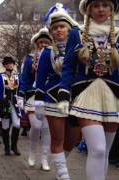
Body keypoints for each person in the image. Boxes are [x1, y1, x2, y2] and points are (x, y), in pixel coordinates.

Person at [57, 0, 119, 179]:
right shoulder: (77, 34)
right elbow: (68, 66)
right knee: (98, 149)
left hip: (113, 96)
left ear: (112, 9)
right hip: (86, 94)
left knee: (105, 151)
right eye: (96, 5)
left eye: (105, 5)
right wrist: (63, 93)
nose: (101, 9)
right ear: (88, 9)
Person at [35, 4, 79, 179]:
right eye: (55, 28)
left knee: (74, 139)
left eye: (62, 27)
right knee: (58, 139)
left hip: (75, 97)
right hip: (53, 98)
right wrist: (38, 100)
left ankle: (61, 164)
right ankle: (62, 174)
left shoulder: (78, 47)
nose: (58, 30)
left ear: (69, 28)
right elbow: (40, 77)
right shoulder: (46, 52)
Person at [18, 27, 52, 170]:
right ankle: (32, 153)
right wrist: (20, 95)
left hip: (48, 95)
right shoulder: (30, 58)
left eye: (46, 42)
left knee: (46, 129)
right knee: (36, 126)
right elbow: (25, 79)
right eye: (41, 43)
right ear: (37, 44)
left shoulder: (53, 56)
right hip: (32, 95)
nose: (43, 45)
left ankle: (44, 159)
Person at [0, 56, 21, 156]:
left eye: (11, 63)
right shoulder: (0, 76)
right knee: (5, 126)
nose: (10, 64)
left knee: (17, 124)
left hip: (15, 104)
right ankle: (7, 147)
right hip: (5, 104)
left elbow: (21, 89)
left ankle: (14, 146)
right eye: (7, 63)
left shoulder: (17, 76)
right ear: (5, 65)